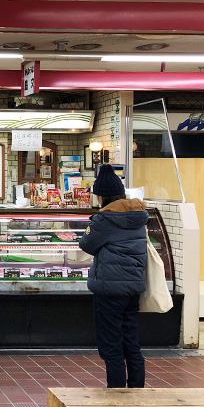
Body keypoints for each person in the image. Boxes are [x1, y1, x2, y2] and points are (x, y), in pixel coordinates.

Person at [79, 164, 148, 388]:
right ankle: (137, 389)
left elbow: (86, 245)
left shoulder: (105, 220)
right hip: (132, 289)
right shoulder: (138, 215)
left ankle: (117, 394)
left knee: (111, 345)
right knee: (131, 342)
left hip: (109, 290)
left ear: (101, 196)